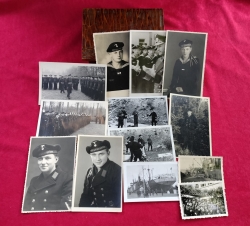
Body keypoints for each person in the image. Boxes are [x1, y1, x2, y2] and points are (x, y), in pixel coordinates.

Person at [23, 144, 73, 211]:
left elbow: (64, 210)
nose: (43, 162)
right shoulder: (34, 181)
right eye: (40, 159)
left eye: (47, 158)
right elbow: (26, 207)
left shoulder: (67, 179)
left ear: (56, 159)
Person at [79, 140, 121, 208]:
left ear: (108, 153)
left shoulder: (117, 171)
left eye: (101, 154)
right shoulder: (90, 171)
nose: (97, 159)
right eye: (94, 155)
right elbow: (86, 196)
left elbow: (119, 200)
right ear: (90, 156)